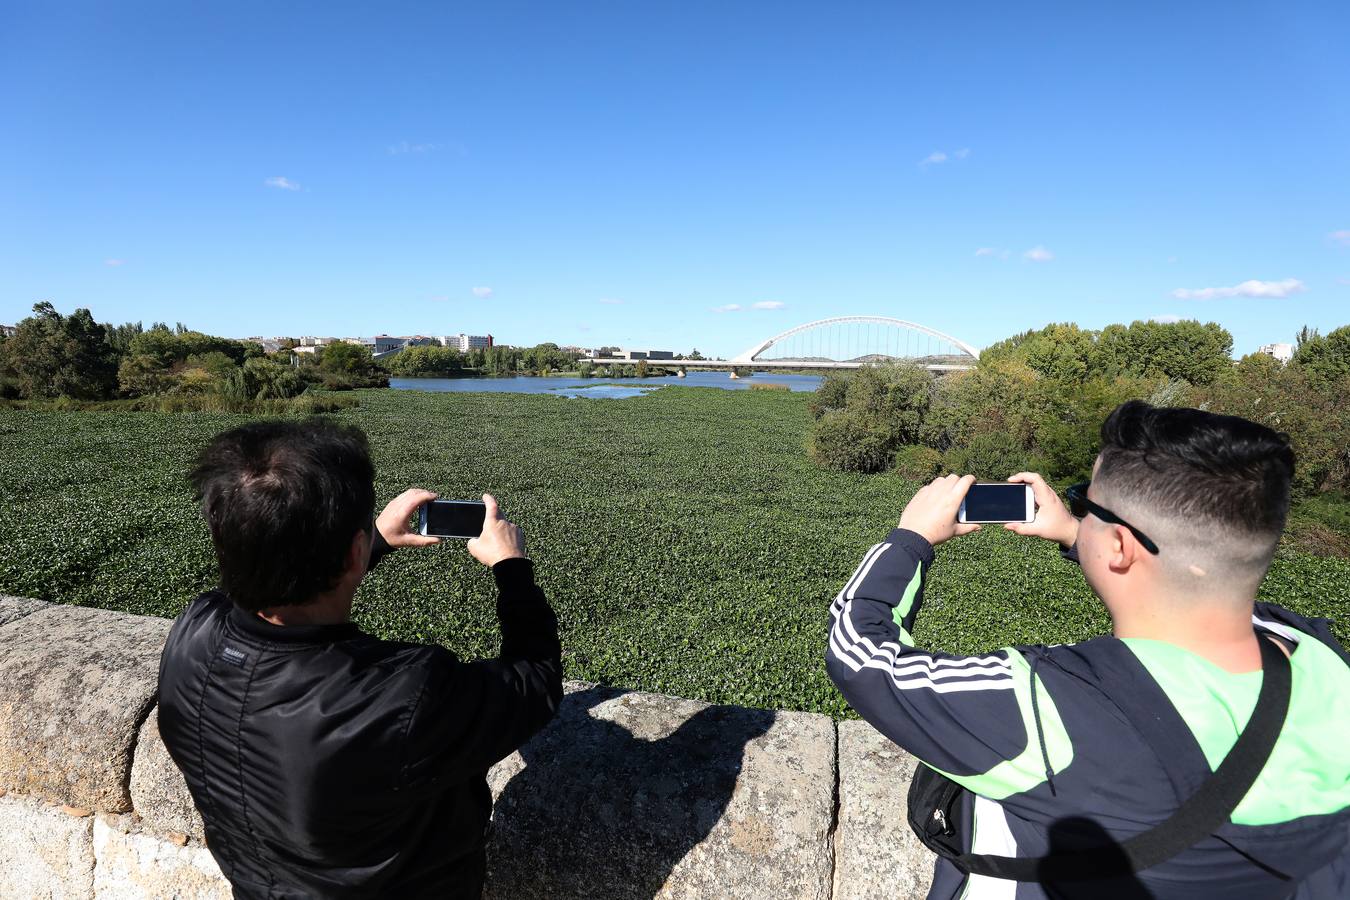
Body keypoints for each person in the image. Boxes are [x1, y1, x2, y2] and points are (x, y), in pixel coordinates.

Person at [826, 401, 1350, 898]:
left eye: (1086, 500)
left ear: (1120, 545)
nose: (1079, 509)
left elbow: (860, 654)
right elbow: (1194, 588)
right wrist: (1079, 532)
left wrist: (911, 538)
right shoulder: (1322, 659)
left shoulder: (1048, 704)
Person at [157, 419, 561, 899]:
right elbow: (535, 681)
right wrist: (512, 568)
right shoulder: (403, 697)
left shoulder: (193, 635)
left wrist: (375, 540)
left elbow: (269, 589)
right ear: (353, 551)